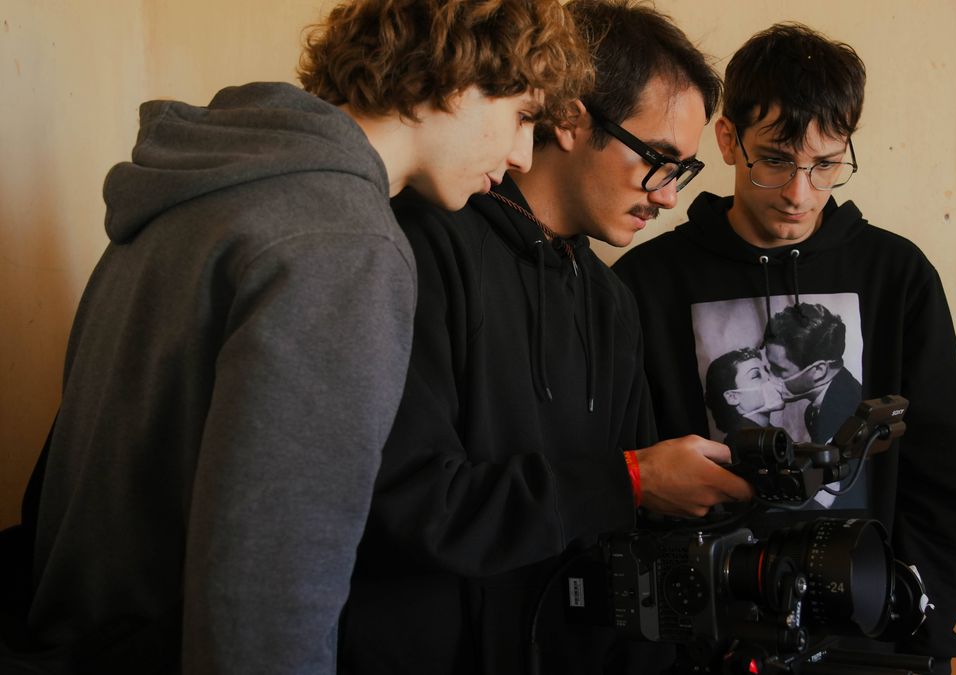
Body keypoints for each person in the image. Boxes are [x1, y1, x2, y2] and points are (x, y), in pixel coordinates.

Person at [18, 1, 590, 673]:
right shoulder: (344, 241)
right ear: (455, 75)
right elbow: (272, 577)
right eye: (523, 115)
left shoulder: (205, 186)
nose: (523, 155)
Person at [338, 2, 752, 673]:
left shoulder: (612, 300)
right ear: (568, 118)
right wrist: (630, 479)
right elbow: (405, 505)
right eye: (657, 158)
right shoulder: (418, 245)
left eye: (684, 170)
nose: (669, 195)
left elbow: (624, 543)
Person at [613, 22, 956, 673]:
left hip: (872, 643)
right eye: (777, 159)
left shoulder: (897, 275)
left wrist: (911, 622)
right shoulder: (646, 283)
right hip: (706, 646)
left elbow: (945, 482)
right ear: (728, 140)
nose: (800, 192)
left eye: (827, 163)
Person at [764, 302, 863, 444]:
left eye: (779, 369)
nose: (768, 376)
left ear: (818, 371)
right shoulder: (817, 408)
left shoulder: (847, 414)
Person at [703, 347, 787, 436]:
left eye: (766, 370)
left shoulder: (767, 433)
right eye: (756, 375)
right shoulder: (743, 442)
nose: (769, 377)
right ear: (732, 397)